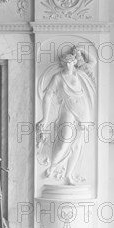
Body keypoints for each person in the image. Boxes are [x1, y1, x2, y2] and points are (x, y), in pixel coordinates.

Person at [36, 47, 96, 185]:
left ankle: (69, 175)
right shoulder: (58, 77)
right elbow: (48, 96)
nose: (68, 65)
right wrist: (45, 118)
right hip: (67, 109)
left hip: (82, 110)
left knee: (77, 145)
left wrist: (81, 50)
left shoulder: (80, 74)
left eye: (71, 62)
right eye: (65, 62)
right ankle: (53, 165)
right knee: (64, 141)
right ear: (62, 63)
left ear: (74, 62)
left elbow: (93, 61)